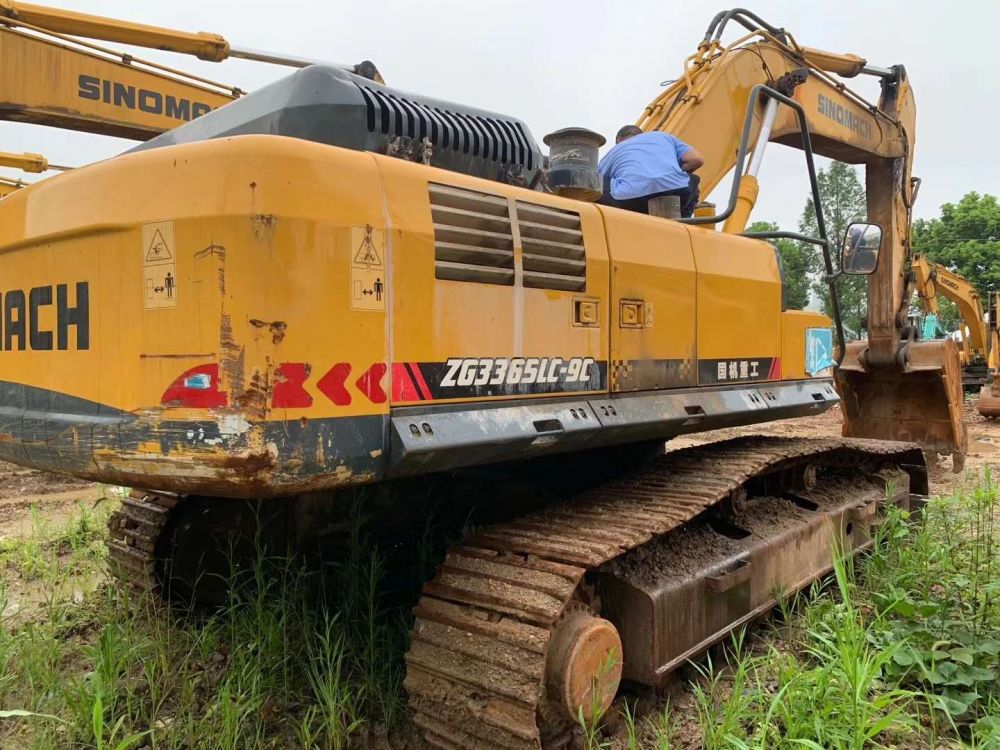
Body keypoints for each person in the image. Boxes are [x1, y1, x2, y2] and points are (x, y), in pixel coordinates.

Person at [597, 125, 704, 217]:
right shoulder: (664, 137)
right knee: (690, 180)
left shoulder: (615, 150)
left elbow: (594, 180)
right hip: (676, 192)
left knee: (599, 186)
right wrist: (675, 174)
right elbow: (696, 160)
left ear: (619, 140)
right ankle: (682, 226)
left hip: (630, 200)